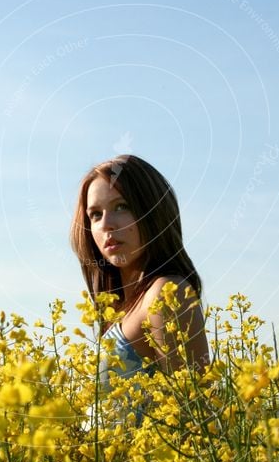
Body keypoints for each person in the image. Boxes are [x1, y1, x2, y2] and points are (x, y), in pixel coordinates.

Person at [70, 155, 209, 392]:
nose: (106, 224)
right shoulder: (120, 307)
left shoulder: (166, 293)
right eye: (95, 214)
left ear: (153, 212)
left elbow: (192, 413)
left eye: (121, 207)